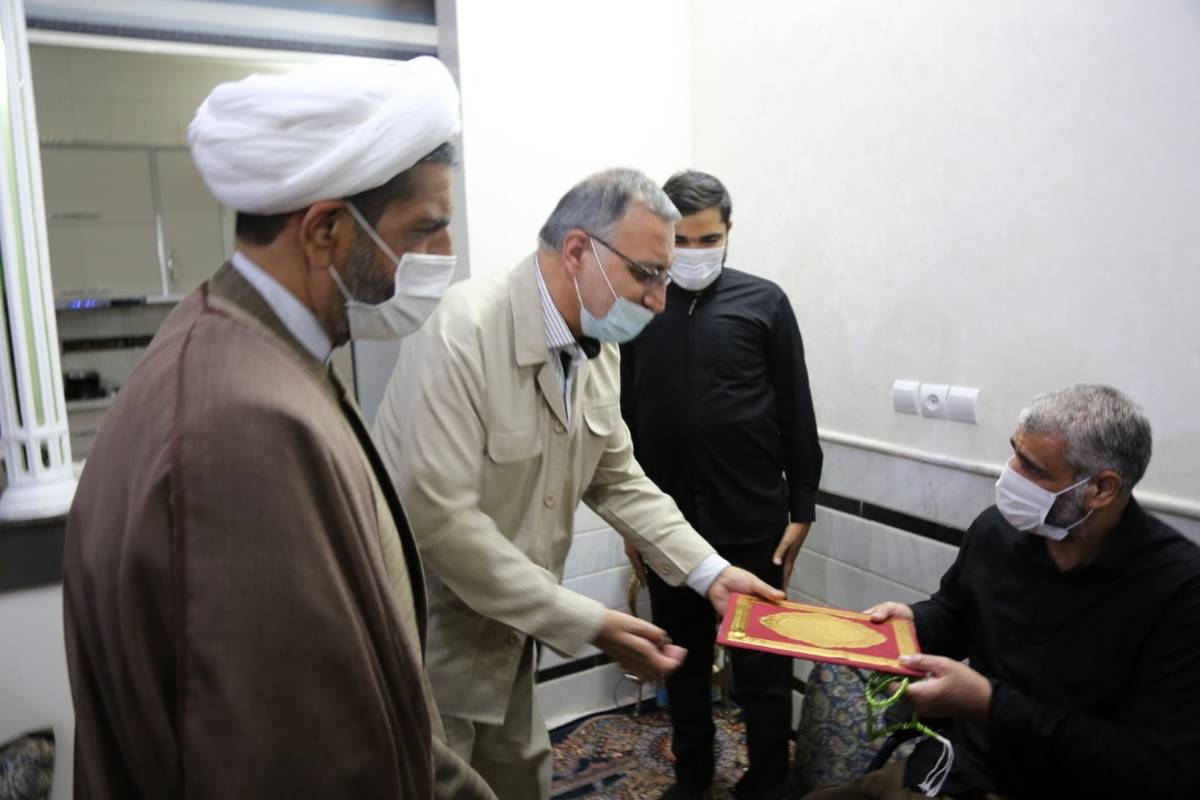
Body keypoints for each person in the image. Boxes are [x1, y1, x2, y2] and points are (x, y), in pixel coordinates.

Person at [62, 57, 494, 799]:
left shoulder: (253, 348)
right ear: (325, 230)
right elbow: (296, 764)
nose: (446, 258)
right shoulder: (242, 428)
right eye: (426, 230)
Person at [372, 168, 785, 800]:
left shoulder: (598, 342)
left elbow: (617, 477)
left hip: (512, 633)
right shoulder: (462, 331)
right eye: (647, 274)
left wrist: (710, 572)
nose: (659, 299)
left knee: (522, 779)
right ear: (577, 252)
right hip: (430, 642)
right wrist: (589, 622)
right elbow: (440, 520)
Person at [803, 385, 1200, 799]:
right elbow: (955, 615)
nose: (1010, 474)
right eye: (1015, 453)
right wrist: (911, 623)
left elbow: (1156, 767)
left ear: (1102, 488)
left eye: (1032, 469)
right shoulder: (999, 531)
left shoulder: (1178, 589)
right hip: (958, 767)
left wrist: (988, 703)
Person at [619, 170, 823, 800]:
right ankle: (693, 777)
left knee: (764, 665)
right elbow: (622, 419)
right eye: (682, 240)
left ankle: (768, 780)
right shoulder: (637, 309)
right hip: (668, 525)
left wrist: (802, 508)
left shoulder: (766, 303)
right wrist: (631, 526)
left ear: (729, 232)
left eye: (709, 239)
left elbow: (797, 411)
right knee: (680, 659)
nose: (695, 252)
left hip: (753, 518)